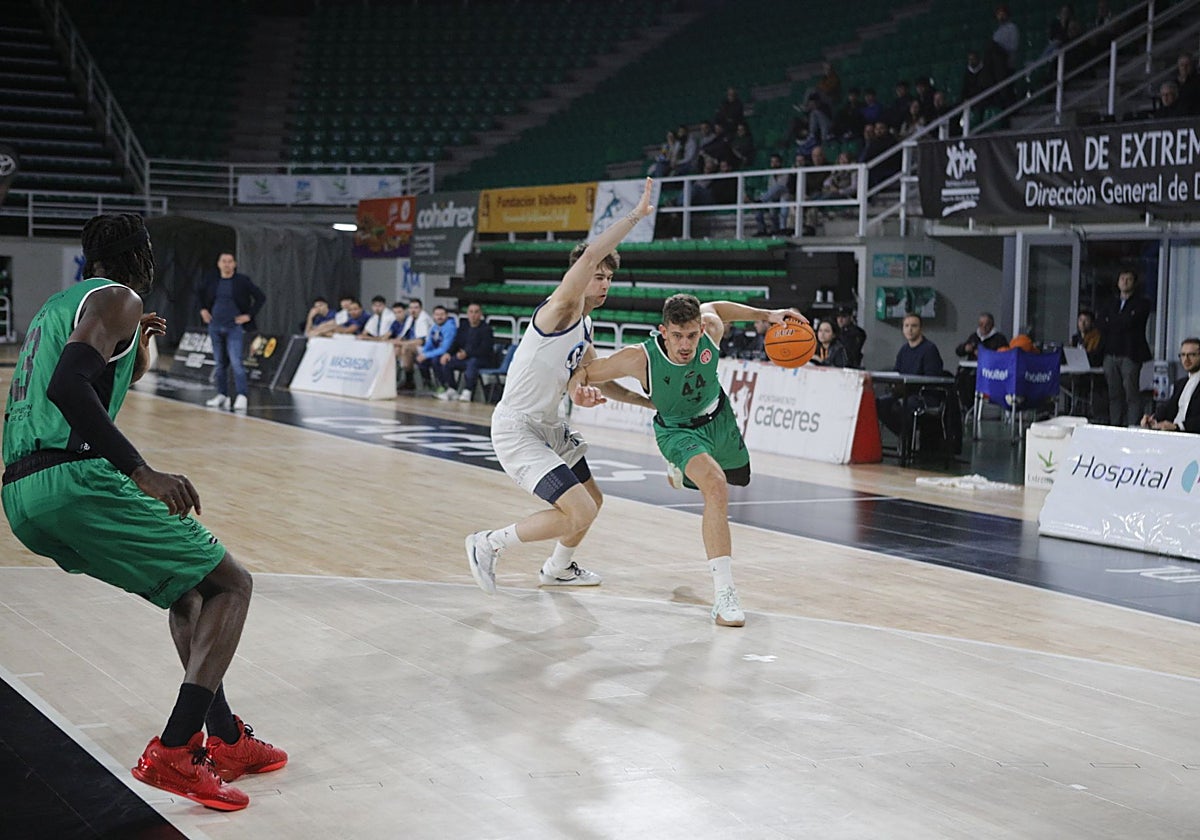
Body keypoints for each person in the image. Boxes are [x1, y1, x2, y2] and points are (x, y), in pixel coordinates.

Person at [1, 213, 286, 812]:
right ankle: (177, 751)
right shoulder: (119, 298)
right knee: (232, 584)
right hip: (75, 477)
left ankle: (228, 739)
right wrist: (141, 470)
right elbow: (69, 388)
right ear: (138, 255)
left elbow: (90, 372)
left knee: (188, 592)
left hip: (24, 495)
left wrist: (141, 346)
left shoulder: (64, 305)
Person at [464, 179, 658, 598]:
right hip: (517, 428)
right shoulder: (560, 308)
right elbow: (590, 254)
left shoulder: (586, 327)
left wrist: (645, 401)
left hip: (548, 426)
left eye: (609, 277)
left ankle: (558, 567)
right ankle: (489, 542)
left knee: (593, 501)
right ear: (581, 275)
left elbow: (592, 378)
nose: (603, 283)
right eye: (597, 275)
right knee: (578, 511)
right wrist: (636, 216)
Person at [566, 294, 805, 627]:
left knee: (737, 477)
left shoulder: (711, 330)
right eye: (677, 335)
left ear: (701, 328)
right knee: (717, 487)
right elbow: (584, 372)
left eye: (691, 335)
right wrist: (579, 390)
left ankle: (681, 474)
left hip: (719, 418)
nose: (685, 344)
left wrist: (769, 314)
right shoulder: (639, 358)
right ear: (663, 331)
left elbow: (719, 308)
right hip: (676, 431)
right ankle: (724, 595)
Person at [198, 252, 265, 412]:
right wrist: (203, 310)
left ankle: (242, 395)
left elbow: (260, 297)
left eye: (230, 262)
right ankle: (222, 394)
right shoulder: (212, 280)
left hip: (234, 327)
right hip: (215, 326)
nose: (227, 264)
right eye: (224, 261)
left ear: (234, 264)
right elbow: (199, 293)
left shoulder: (242, 281)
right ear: (219, 264)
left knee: (236, 362)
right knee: (220, 363)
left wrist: (248, 315)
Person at [876, 313, 945, 438]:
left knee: (906, 405)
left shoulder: (929, 349)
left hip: (923, 395)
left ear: (921, 328)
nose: (910, 329)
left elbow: (932, 378)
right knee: (880, 404)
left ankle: (907, 440)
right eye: (906, 326)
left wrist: (909, 387)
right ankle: (904, 434)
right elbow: (896, 372)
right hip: (904, 392)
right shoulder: (903, 350)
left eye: (914, 326)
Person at [1098, 269, 1152, 426]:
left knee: (1131, 393)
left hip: (1130, 353)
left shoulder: (1142, 303)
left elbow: (1130, 323)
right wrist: (1118, 320)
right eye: (1122, 278)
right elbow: (1101, 323)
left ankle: (1132, 426)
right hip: (1110, 353)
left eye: (1129, 279)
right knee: (1114, 394)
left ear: (1134, 282)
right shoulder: (1110, 303)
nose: (1125, 281)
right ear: (1117, 282)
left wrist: (1112, 321)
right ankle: (1115, 426)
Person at [434, 302, 495, 402]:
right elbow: (456, 343)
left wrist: (467, 353)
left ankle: (468, 390)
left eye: (476, 312)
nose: (473, 315)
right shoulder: (463, 326)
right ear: (467, 313)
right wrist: (448, 353)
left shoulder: (486, 329)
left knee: (472, 363)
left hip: (482, 359)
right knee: (447, 362)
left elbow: (485, 349)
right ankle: (452, 388)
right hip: (464, 358)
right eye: (471, 312)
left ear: (480, 314)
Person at [1140, 338, 1200, 433]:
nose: (1186, 359)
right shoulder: (1180, 383)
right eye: (1183, 355)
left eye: (1191, 355)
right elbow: (1168, 408)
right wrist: (1153, 419)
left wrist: (1178, 426)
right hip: (1174, 434)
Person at [388, 298, 435, 390]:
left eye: (416, 308)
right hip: (413, 346)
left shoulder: (423, 319)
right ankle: (392, 380)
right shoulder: (410, 318)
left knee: (406, 348)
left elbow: (421, 341)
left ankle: (409, 380)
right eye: (411, 308)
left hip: (427, 348)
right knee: (395, 348)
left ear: (421, 309)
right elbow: (402, 335)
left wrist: (401, 343)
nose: (413, 310)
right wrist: (394, 342)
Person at [415, 305, 457, 393]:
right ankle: (428, 383)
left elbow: (445, 348)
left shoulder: (450, 327)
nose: (439, 317)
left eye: (442, 314)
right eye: (437, 315)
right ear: (433, 316)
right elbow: (430, 343)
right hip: (437, 352)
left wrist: (426, 355)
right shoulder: (434, 327)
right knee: (420, 360)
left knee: (435, 360)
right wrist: (423, 353)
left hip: (449, 353)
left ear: (446, 315)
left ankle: (443, 385)